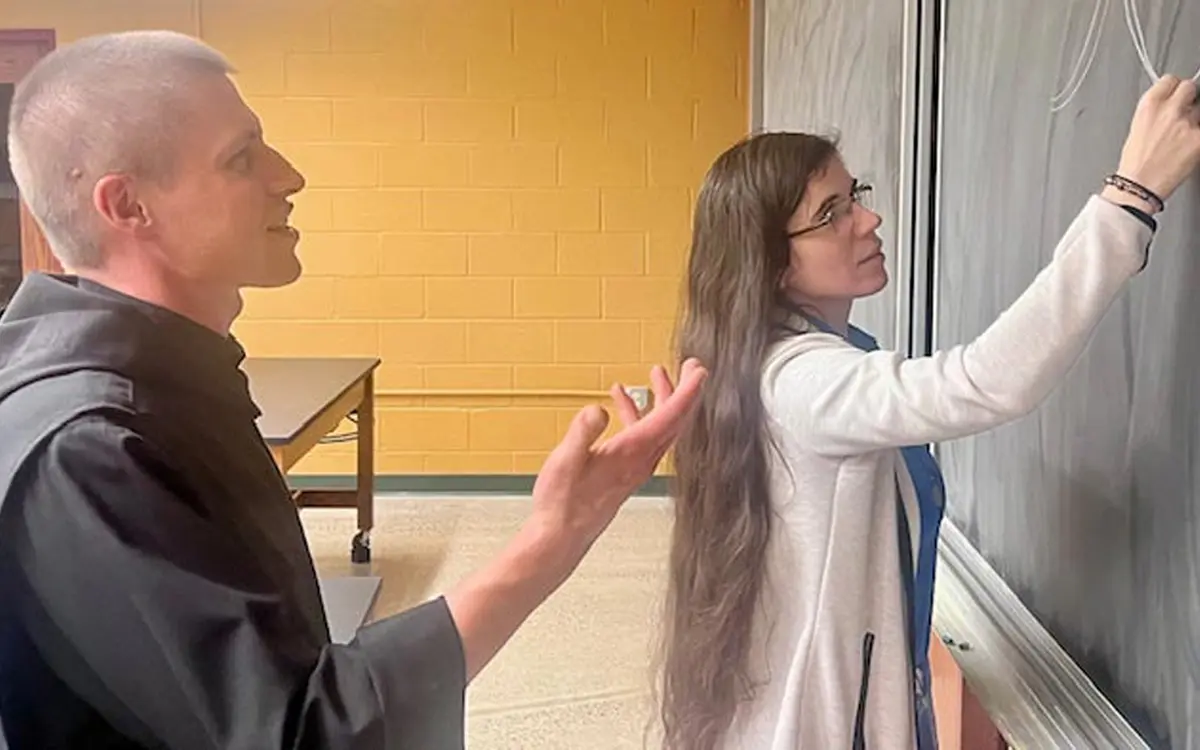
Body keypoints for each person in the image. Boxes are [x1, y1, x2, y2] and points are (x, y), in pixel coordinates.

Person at [0, 30, 707, 750]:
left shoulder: (162, 379)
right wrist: (550, 539)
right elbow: (302, 733)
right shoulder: (87, 450)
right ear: (128, 206)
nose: (289, 176)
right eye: (241, 158)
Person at [654, 75, 1200, 750]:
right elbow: (987, 381)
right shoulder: (802, 383)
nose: (868, 219)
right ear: (769, 264)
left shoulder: (779, 361)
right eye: (831, 214)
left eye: (855, 196)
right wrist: (1130, 200)